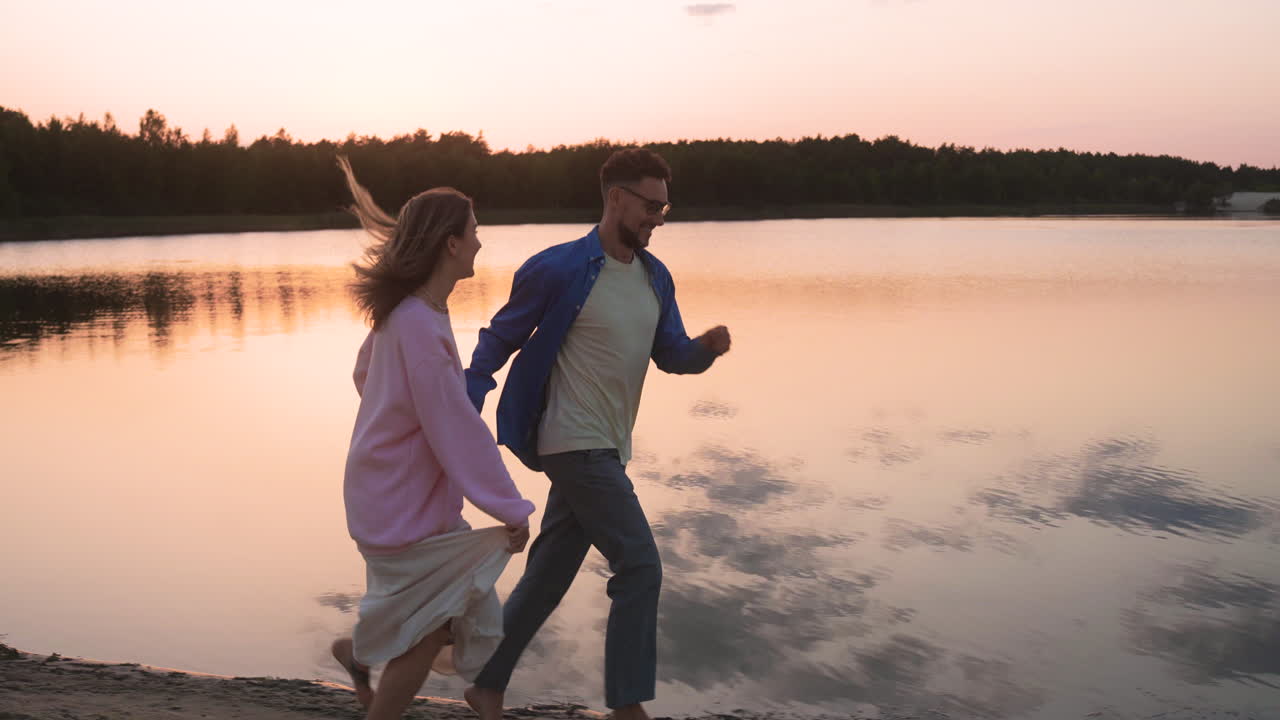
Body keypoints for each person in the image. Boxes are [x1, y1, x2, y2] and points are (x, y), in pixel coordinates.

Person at [462, 148, 732, 720]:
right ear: (616, 198)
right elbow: (500, 338)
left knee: (550, 570)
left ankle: (485, 683)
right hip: (572, 440)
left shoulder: (656, 278)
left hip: (609, 446)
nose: (659, 217)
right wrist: (464, 403)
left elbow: (670, 355)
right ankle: (626, 704)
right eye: (650, 205)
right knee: (639, 565)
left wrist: (704, 351)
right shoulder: (558, 267)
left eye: (665, 207)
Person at [330, 156, 536, 720]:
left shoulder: (409, 313)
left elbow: (365, 378)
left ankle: (357, 654)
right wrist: (509, 507)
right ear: (449, 244)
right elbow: (456, 427)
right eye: (473, 232)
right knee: (429, 631)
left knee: (452, 608)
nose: (479, 242)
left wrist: (395, 426)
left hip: (394, 489)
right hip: (401, 502)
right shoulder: (420, 325)